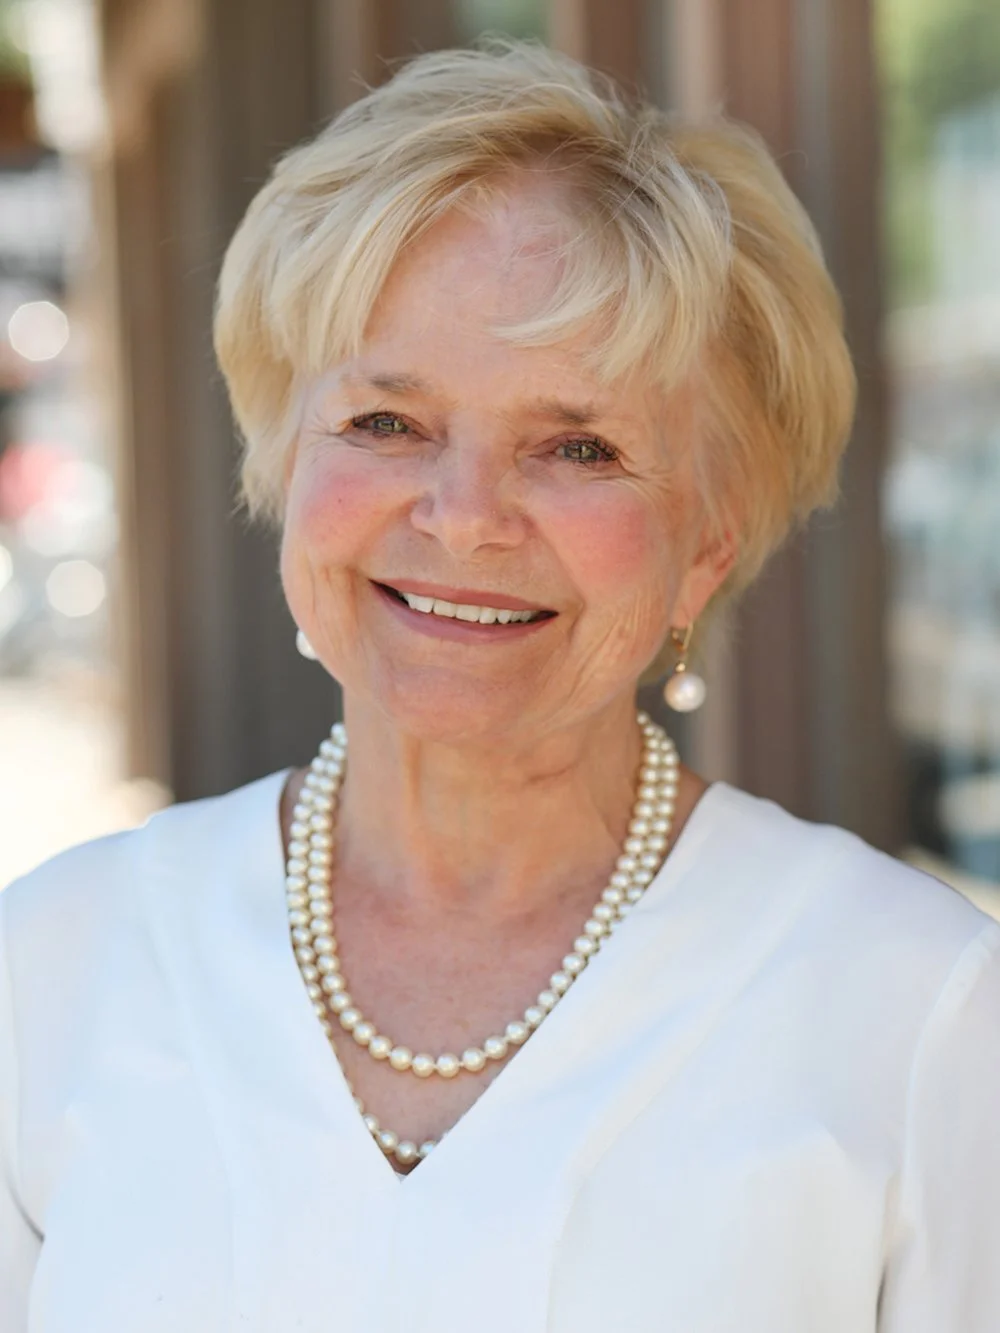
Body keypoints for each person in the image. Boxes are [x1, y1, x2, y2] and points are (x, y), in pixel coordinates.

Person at [2, 40, 998, 1333]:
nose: (465, 519)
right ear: (283, 464)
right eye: (386, 424)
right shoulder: (51, 967)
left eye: (577, 446)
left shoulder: (922, 1019)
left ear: (710, 542)